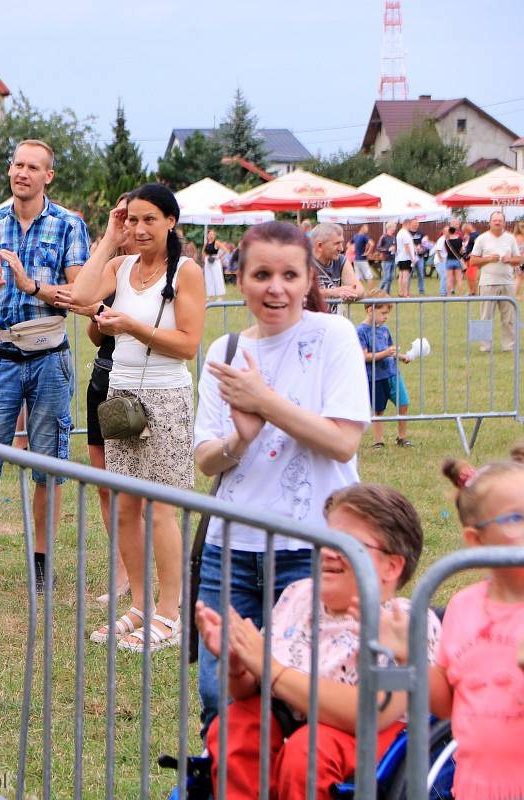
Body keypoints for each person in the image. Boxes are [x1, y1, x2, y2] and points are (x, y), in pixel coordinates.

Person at [193, 220, 370, 731]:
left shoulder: (333, 334)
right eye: (262, 274)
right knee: (219, 695)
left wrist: (265, 403)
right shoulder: (224, 353)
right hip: (231, 551)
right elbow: (206, 457)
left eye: (290, 275)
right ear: (240, 278)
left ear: (308, 279)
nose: (276, 288)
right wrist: (241, 437)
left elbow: (342, 440)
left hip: (311, 547)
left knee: (301, 697)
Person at [199, 483, 440, 800]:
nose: (328, 551)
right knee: (237, 723)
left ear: (391, 566)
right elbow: (249, 691)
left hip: (371, 736)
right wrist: (237, 666)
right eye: (326, 539)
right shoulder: (299, 596)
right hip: (291, 722)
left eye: (346, 544)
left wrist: (272, 669)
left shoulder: (404, 622)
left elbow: (371, 715)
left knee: (310, 749)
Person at [67, 184, 206, 652]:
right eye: (132, 220)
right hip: (120, 397)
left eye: (150, 219)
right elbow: (80, 297)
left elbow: (187, 343)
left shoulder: (187, 272)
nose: (139, 228)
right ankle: (142, 606)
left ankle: (171, 611)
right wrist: (108, 237)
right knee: (125, 505)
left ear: (171, 221)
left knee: (160, 509)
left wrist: (130, 326)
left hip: (166, 397)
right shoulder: (118, 265)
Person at [0, 139, 89, 594]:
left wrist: (31, 285)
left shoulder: (70, 225)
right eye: (16, 164)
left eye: (33, 167)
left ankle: (42, 562)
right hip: (0, 358)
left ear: (49, 175)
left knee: (48, 465)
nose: (21, 172)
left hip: (49, 357)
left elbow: (80, 295)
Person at [381, 457, 524, 800]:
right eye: (517, 518)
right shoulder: (463, 607)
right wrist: (410, 655)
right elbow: (448, 706)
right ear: (476, 541)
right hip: (471, 786)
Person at [81, 222, 139, 605]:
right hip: (104, 377)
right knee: (105, 485)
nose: (130, 228)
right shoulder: (111, 270)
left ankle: (154, 573)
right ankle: (122, 573)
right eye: (124, 221)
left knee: (142, 487)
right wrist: (102, 320)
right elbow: (93, 334)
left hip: (141, 386)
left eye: (137, 220)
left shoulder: (170, 273)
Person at [356, 291, 412, 448]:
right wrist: (386, 353)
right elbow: (364, 356)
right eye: (383, 313)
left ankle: (402, 437)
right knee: (378, 410)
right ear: (370, 310)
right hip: (375, 377)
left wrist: (400, 356)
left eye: (388, 313)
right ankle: (378, 441)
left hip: (393, 374)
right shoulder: (361, 331)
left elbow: (390, 350)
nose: (386, 316)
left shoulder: (384, 329)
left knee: (403, 403)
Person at [470, 210, 521, 353]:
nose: (497, 223)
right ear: (490, 223)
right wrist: (488, 259)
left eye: (500, 220)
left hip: (507, 283)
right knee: (485, 316)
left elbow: (518, 259)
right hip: (488, 283)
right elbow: (473, 260)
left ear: (504, 223)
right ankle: (485, 347)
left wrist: (510, 260)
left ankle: (508, 346)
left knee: (508, 317)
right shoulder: (482, 239)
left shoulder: (510, 239)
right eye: (495, 220)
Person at [309, 222, 364, 309]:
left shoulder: (341, 261)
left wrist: (349, 293)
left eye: (341, 243)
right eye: (336, 243)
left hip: (331, 321)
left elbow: (359, 289)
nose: (341, 248)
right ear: (320, 246)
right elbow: (301, 293)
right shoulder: (303, 262)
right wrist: (333, 292)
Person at [395, 218, 418, 298]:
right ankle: (405, 293)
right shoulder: (405, 233)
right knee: (405, 276)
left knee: (401, 275)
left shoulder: (399, 233)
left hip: (401, 257)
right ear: (408, 224)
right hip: (406, 257)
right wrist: (412, 258)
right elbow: (407, 246)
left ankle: (401, 292)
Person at [441, 219, 464, 298]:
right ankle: (461, 294)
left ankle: (449, 294)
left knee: (449, 278)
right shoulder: (460, 240)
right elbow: (461, 251)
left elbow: (446, 250)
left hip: (449, 260)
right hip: (457, 260)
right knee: (459, 278)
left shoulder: (446, 241)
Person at [202, 228, 226, 301]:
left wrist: (219, 257)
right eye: (210, 234)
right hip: (208, 261)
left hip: (215, 260)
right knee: (208, 278)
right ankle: (210, 295)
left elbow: (224, 250)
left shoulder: (217, 242)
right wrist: (206, 258)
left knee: (217, 277)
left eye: (213, 234)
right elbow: (203, 252)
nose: (211, 236)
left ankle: (220, 296)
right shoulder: (206, 244)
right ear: (207, 235)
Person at [350, 224, 375, 294]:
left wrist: (353, 250)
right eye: (366, 227)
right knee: (369, 275)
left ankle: (358, 291)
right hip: (362, 259)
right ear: (361, 228)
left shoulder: (355, 236)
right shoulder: (364, 237)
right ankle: (371, 292)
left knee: (358, 276)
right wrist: (367, 253)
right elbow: (372, 244)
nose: (367, 229)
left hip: (356, 259)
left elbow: (348, 244)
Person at [376, 221, 397, 293]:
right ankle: (378, 291)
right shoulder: (383, 237)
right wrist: (387, 250)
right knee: (386, 277)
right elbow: (378, 247)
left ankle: (387, 292)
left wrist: (395, 249)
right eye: (393, 227)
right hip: (386, 260)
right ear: (389, 227)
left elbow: (395, 246)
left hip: (392, 259)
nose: (395, 229)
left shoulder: (394, 237)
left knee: (391, 278)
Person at [462, 221, 480, 296]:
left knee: (472, 276)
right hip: (468, 259)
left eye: (465, 231)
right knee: (468, 275)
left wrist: (473, 252)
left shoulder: (474, 235)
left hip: (473, 259)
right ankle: (470, 291)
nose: (465, 233)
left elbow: (478, 245)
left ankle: (475, 292)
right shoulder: (471, 235)